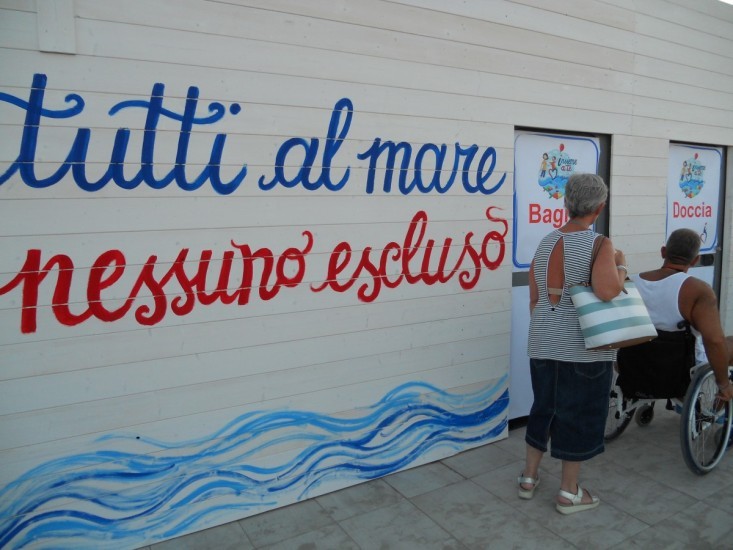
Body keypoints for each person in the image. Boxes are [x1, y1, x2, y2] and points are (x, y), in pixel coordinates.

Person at [519, 173, 627, 515]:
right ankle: (568, 492)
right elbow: (608, 292)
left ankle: (528, 478)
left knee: (544, 409)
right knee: (578, 415)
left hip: (542, 342)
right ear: (599, 207)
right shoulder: (600, 244)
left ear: (567, 203)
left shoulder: (545, 242)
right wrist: (621, 267)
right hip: (582, 348)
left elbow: (535, 299)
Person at [629, 228, 733, 404]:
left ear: (663, 252)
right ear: (695, 260)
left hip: (635, 362)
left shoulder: (630, 282)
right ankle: (717, 408)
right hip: (680, 365)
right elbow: (714, 340)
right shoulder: (698, 290)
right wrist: (723, 383)